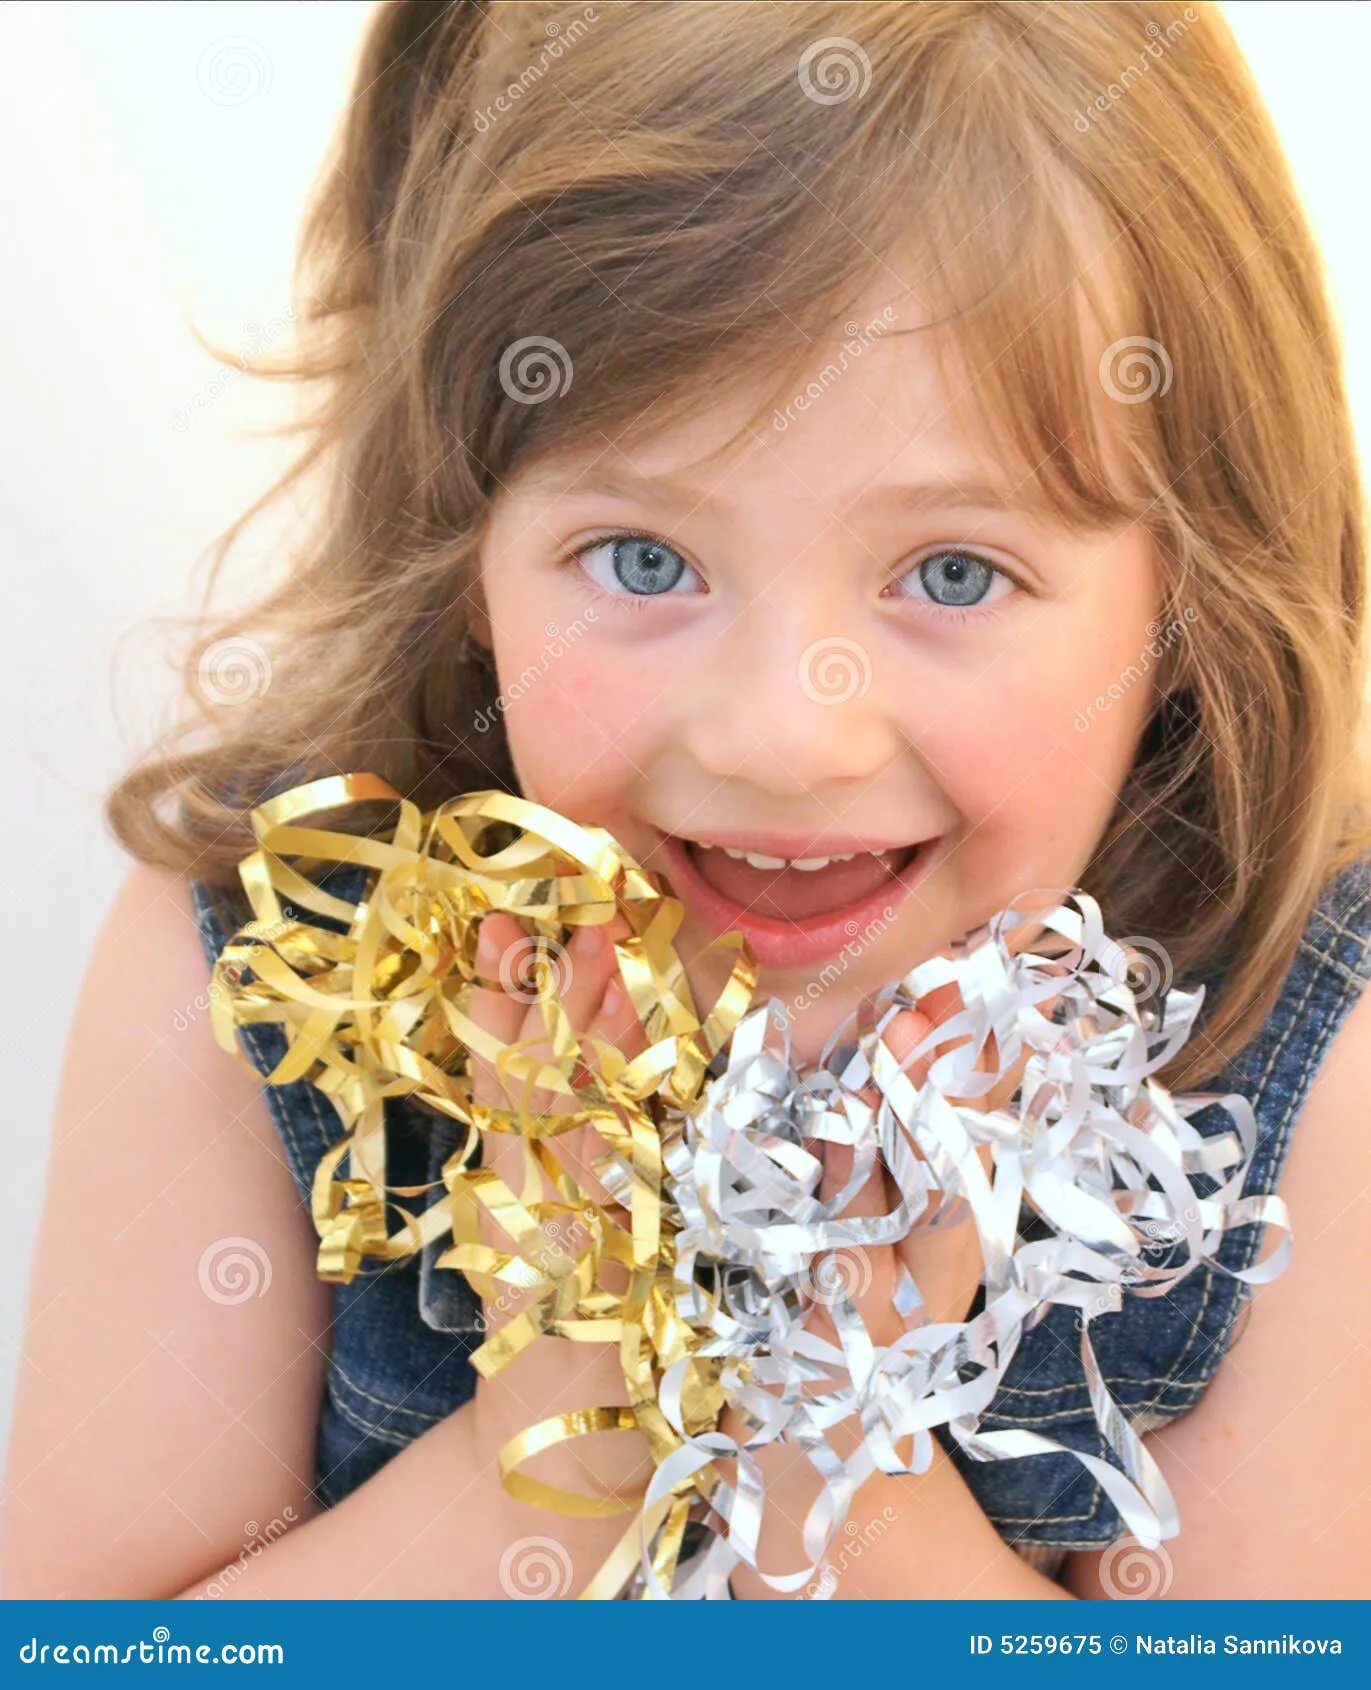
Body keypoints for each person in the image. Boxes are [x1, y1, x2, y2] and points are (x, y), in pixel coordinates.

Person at [5, 0, 1371, 1599]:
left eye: (950, 569)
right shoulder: (262, 965)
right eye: (644, 559)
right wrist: (575, 1446)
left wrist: (819, 1450)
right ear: (463, 566)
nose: (790, 734)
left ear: (1185, 601)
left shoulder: (1298, 1057)